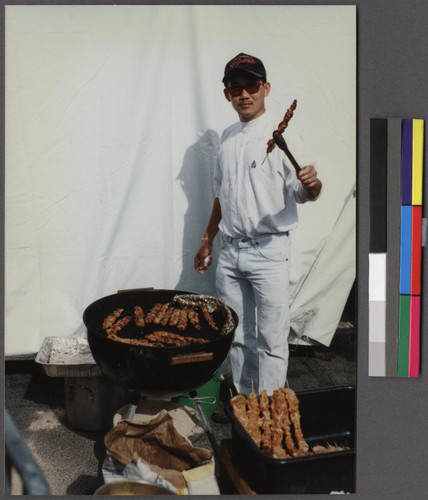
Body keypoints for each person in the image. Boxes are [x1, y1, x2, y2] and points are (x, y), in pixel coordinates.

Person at [194, 53, 322, 396]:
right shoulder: (227, 137)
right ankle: (243, 401)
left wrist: (312, 184)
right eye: (236, 88)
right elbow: (223, 195)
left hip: (269, 251)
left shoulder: (282, 134)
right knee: (235, 334)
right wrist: (208, 239)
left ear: (265, 88)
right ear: (227, 95)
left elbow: (303, 191)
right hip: (230, 252)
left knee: (271, 336)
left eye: (252, 85)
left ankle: (267, 408)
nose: (244, 94)